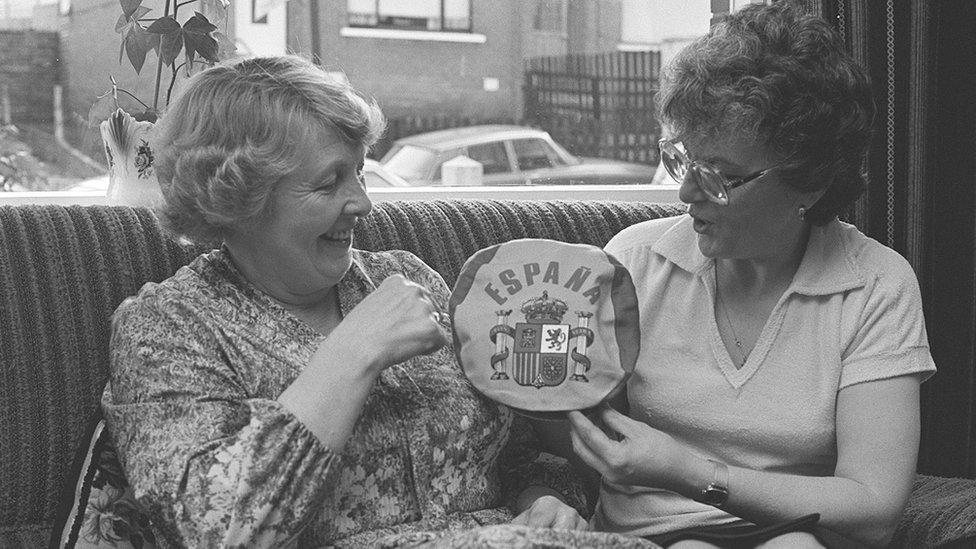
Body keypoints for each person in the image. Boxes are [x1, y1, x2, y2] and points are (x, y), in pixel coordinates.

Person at [100, 55, 606, 548]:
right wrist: (352, 353)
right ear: (238, 200)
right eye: (329, 182)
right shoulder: (168, 328)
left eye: (360, 172)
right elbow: (215, 530)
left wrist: (541, 499)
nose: (363, 202)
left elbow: (513, 449)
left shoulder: (405, 278)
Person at [565, 4, 936, 548]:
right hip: (650, 539)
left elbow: (873, 504)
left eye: (719, 176)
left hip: (796, 536)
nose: (687, 192)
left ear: (808, 184)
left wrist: (688, 472)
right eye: (682, 160)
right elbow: (570, 429)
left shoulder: (876, 286)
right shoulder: (633, 262)